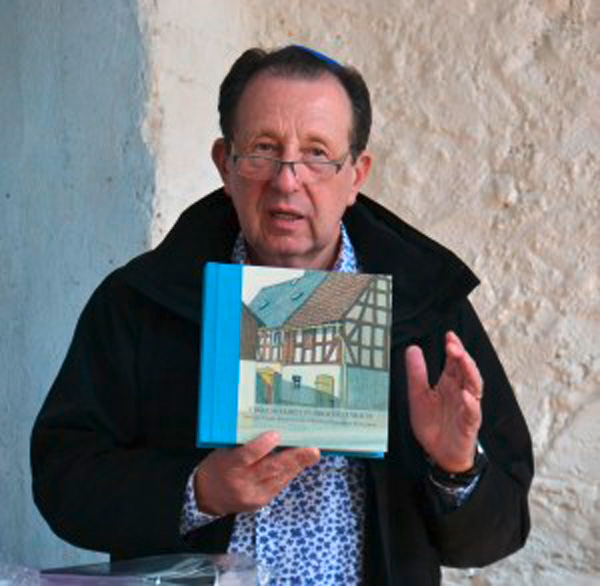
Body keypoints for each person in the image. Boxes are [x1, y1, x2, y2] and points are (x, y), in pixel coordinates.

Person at [31, 45, 533, 585]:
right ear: (225, 164)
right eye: (264, 150)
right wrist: (198, 491)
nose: (287, 181)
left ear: (356, 174)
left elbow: (497, 534)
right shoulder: (141, 301)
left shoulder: (427, 310)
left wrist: (456, 468)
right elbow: (64, 479)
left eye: (317, 153)